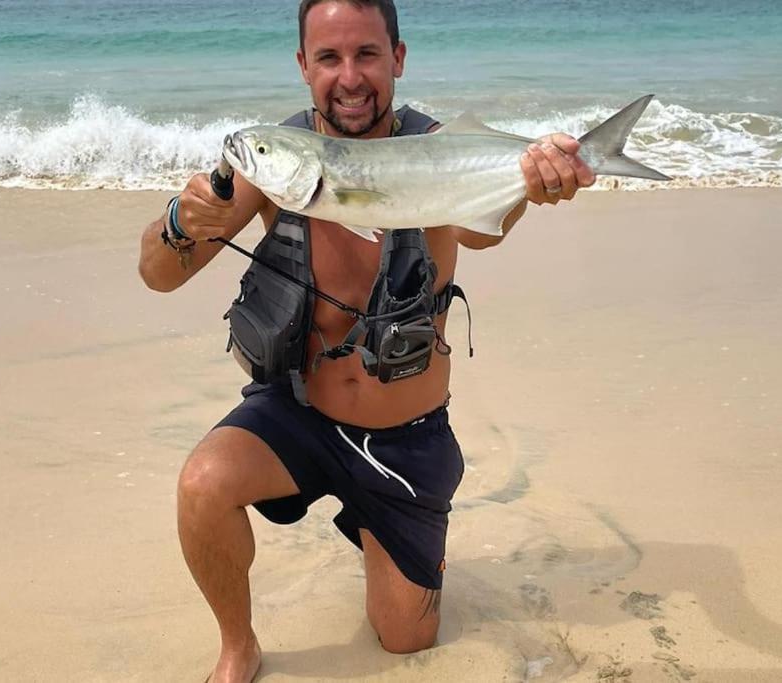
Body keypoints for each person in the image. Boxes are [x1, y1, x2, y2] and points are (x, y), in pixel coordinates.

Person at [137, 1, 595, 680]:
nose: (349, 78)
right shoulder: (275, 160)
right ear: (303, 66)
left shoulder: (436, 148)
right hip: (299, 412)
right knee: (203, 484)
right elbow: (157, 274)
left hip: (405, 433)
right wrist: (183, 217)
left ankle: (383, 531)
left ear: (398, 58)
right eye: (328, 58)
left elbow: (481, 228)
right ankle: (239, 645)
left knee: (405, 637)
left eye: (367, 55)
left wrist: (533, 183)